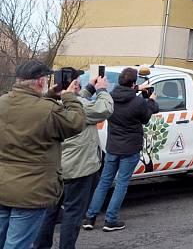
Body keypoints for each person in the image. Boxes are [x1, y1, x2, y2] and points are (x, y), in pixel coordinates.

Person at [0, 60, 85, 249]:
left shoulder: (3, 102)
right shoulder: (48, 110)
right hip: (30, 192)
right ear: (40, 81)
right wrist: (69, 96)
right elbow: (76, 122)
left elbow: (27, 109)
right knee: (18, 244)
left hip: (3, 185)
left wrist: (48, 96)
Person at [34, 75, 113, 249]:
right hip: (78, 168)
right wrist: (101, 90)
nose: (78, 84)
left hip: (55, 167)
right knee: (73, 213)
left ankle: (40, 246)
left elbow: (75, 103)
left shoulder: (49, 105)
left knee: (49, 212)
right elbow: (103, 109)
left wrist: (88, 90)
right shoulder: (82, 107)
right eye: (75, 82)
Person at [83, 68, 158, 233]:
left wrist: (138, 89)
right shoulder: (138, 102)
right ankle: (110, 220)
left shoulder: (109, 98)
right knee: (121, 183)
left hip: (112, 147)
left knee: (104, 182)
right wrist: (151, 101)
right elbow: (146, 118)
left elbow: (125, 94)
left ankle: (90, 217)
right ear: (133, 83)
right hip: (130, 148)